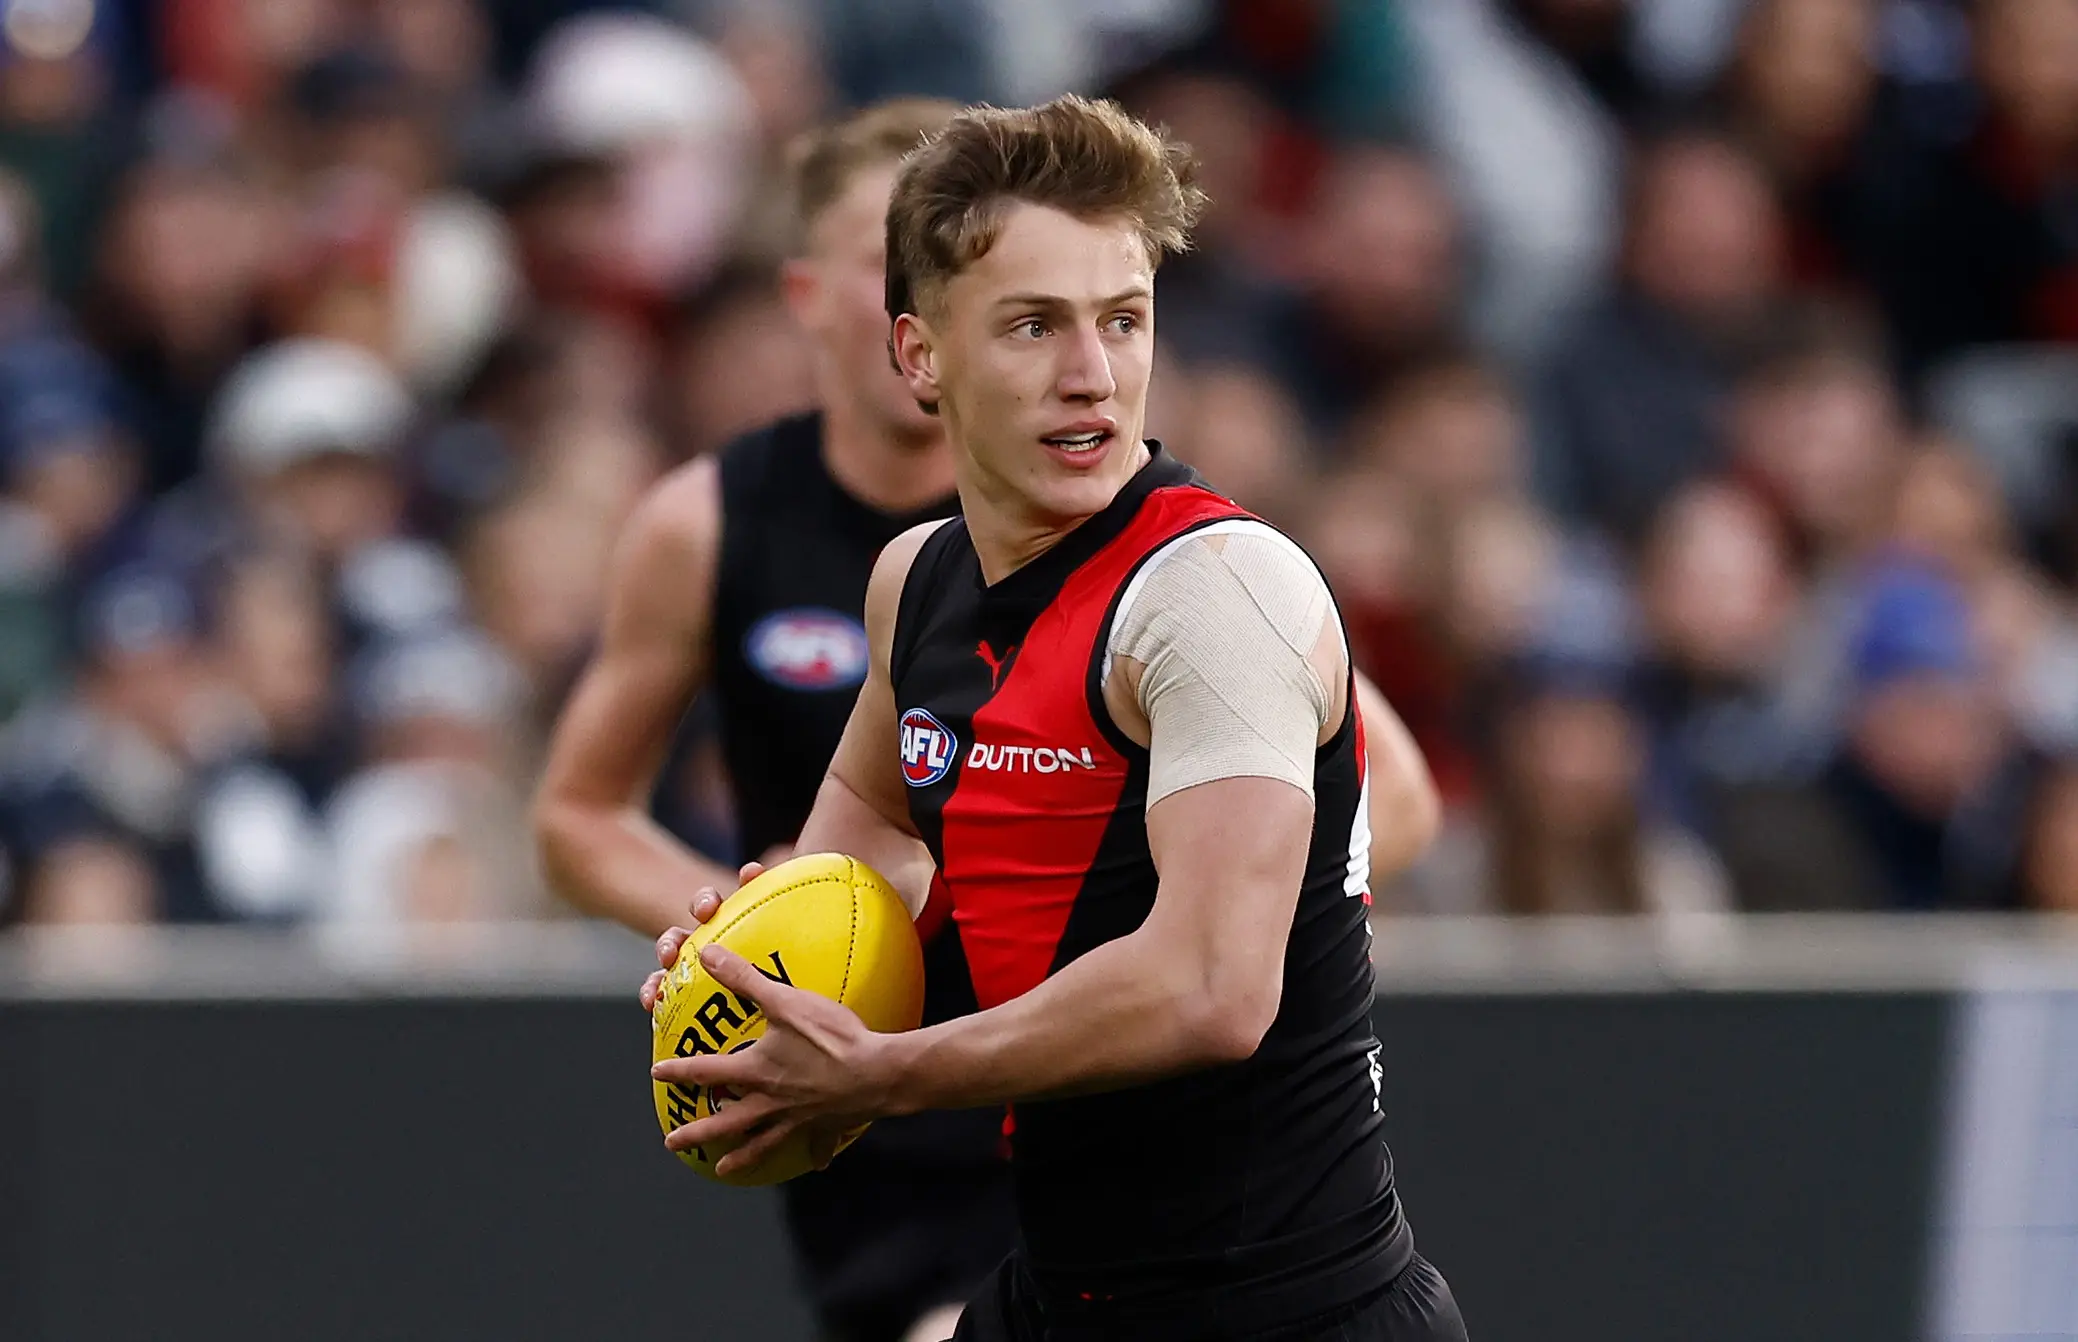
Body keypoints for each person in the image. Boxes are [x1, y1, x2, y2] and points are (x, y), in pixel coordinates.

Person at [539, 99, 1442, 1342]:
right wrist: (757, 966)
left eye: (1122, 321)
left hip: (1285, 1310)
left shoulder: (1217, 590)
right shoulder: (916, 581)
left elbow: (1210, 990)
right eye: (1033, 325)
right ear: (920, 355)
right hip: (1063, 1290)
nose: (1092, 373)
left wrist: (878, 1071)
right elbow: (862, 842)